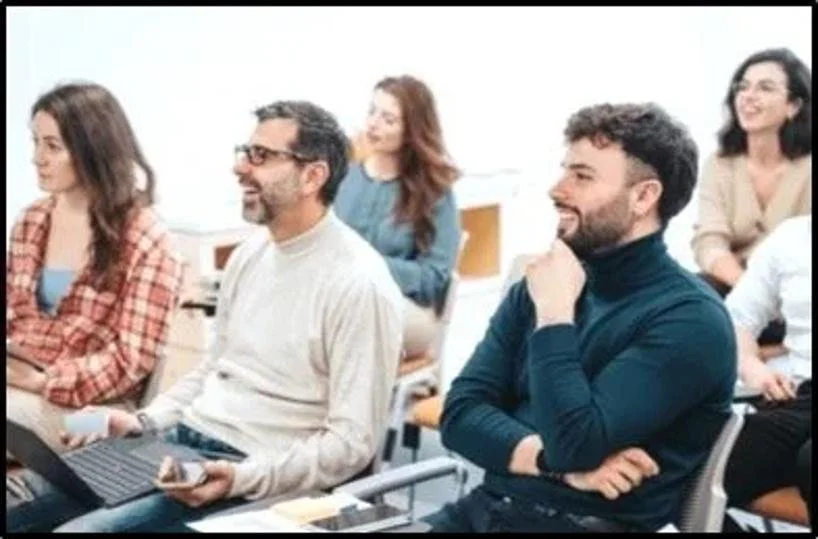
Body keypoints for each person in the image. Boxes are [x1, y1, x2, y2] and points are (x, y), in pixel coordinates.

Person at [6, 100, 404, 533]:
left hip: (252, 472)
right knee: (14, 503)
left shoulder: (359, 283)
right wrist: (143, 421)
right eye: (245, 151)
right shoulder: (252, 254)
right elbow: (214, 370)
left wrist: (242, 478)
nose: (240, 167)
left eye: (262, 156)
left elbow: (351, 445)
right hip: (180, 444)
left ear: (313, 175)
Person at [425, 103, 736, 533]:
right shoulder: (548, 281)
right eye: (564, 170)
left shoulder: (690, 321)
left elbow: (575, 442)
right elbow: (460, 415)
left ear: (644, 196)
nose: (557, 189)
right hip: (487, 510)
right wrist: (553, 465)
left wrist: (555, 317)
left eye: (582, 176)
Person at [6, 82, 184, 453]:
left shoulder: (148, 240)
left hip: (96, 412)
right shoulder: (30, 221)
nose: (37, 158)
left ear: (93, 150)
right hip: (18, 386)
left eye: (52, 146)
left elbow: (128, 364)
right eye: (35, 142)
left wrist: (42, 381)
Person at [334, 75, 462, 358]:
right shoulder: (345, 179)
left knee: (347, 324)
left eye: (388, 119)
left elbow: (434, 277)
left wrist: (371, 266)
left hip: (408, 309)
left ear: (411, 130)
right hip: (344, 303)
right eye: (372, 112)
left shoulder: (435, 192)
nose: (373, 124)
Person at [691, 48, 811, 346]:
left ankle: (762, 351)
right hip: (736, 290)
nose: (748, 96)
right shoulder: (720, 164)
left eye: (765, 88)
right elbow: (710, 242)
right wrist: (751, 291)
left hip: (795, 297)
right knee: (691, 293)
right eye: (742, 86)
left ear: (794, 105)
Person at [722, 215, 812, 532]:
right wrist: (752, 366)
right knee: (697, 460)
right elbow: (735, 320)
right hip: (801, 401)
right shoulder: (791, 238)